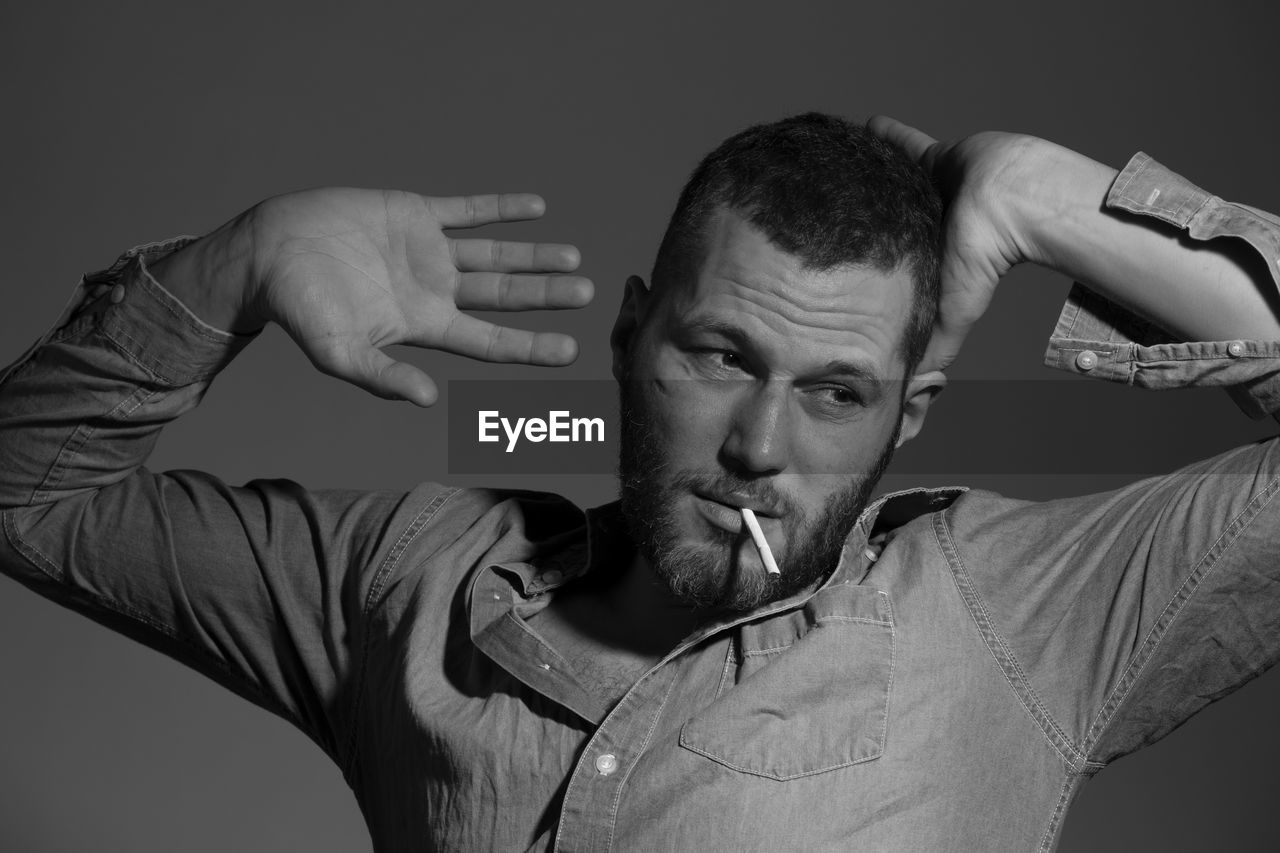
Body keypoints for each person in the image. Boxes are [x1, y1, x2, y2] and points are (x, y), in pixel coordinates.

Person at [0, 112, 1276, 852]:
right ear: (629, 340)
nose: (758, 446)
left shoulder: (1010, 614)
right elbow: (27, 499)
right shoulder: (417, 577)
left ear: (909, 410)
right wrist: (237, 264)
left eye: (836, 390)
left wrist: (1055, 204)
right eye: (720, 355)